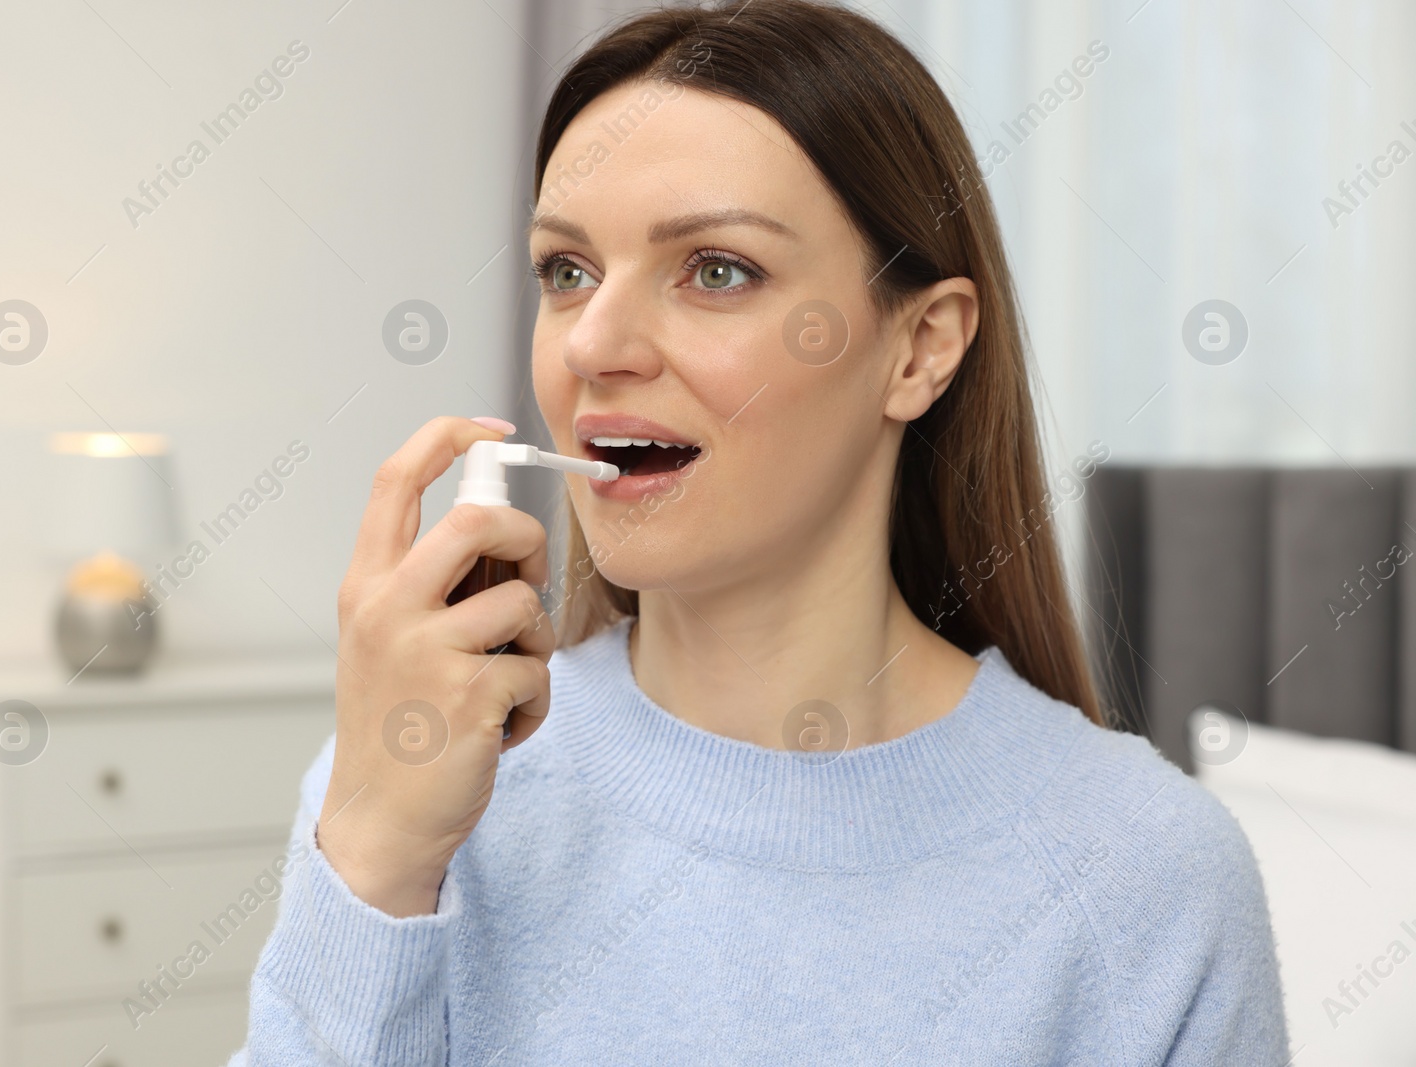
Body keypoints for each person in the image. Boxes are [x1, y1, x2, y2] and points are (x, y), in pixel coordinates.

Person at [230, 1, 1286, 1062]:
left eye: (716, 269)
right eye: (567, 271)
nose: (593, 342)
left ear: (919, 348)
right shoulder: (417, 790)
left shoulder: (1151, 876)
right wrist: (374, 854)